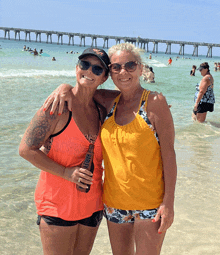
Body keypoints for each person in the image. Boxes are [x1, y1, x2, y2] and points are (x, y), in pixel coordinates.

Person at [44, 43, 177, 255]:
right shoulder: (108, 101)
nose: (123, 72)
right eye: (116, 67)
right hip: (114, 203)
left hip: (150, 204)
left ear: (141, 69)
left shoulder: (154, 102)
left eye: (130, 65)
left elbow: (169, 155)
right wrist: (65, 87)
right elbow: (84, 89)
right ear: (110, 74)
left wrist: (168, 204)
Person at [19, 47, 110, 255]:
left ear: (104, 78)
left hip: (92, 205)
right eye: (84, 65)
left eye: (97, 69)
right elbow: (25, 149)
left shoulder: (101, 111)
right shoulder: (57, 106)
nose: (89, 71)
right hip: (56, 205)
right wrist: (66, 173)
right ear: (76, 67)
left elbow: (128, 95)